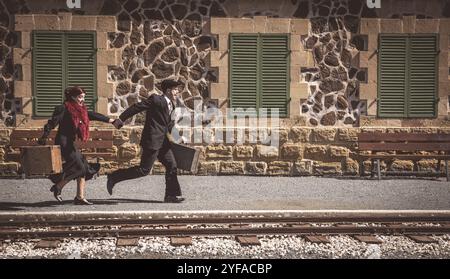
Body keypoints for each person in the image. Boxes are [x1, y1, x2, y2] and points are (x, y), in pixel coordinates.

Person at [38, 86, 121, 205]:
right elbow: (52, 123)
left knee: (83, 167)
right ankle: (58, 186)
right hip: (63, 143)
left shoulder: (80, 110)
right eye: (80, 97)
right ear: (73, 97)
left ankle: (79, 197)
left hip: (70, 143)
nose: (82, 99)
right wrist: (44, 137)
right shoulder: (63, 108)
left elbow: (93, 115)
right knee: (80, 168)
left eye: (83, 97)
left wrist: (112, 121)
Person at [106, 79, 185, 203]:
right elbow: (137, 107)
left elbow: (168, 125)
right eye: (175, 89)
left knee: (172, 165)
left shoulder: (172, 105)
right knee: (144, 170)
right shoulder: (156, 100)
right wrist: (121, 119)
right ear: (168, 90)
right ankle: (114, 176)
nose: (177, 92)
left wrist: (179, 138)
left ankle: (171, 195)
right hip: (152, 140)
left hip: (163, 142)